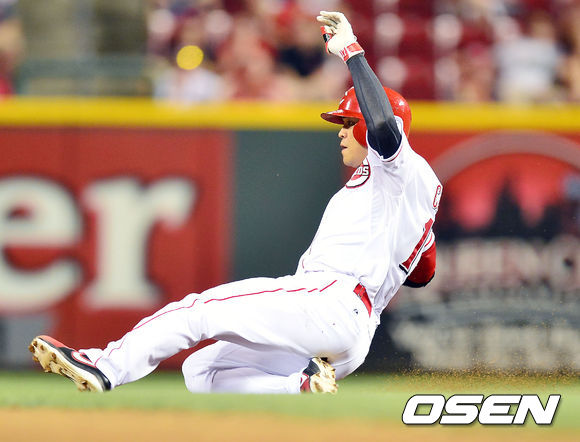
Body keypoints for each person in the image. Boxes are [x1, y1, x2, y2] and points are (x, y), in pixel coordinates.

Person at [29, 11, 442, 395]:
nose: (341, 131)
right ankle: (300, 388)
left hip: (329, 299)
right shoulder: (409, 196)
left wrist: (351, 51)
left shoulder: (396, 165)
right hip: (353, 336)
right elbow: (423, 274)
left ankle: (104, 367)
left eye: (349, 123)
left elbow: (383, 124)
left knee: (195, 311)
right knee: (201, 371)